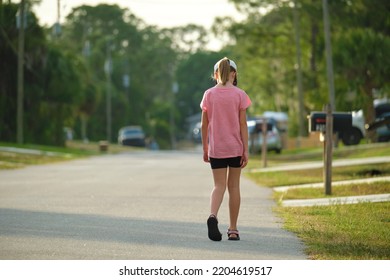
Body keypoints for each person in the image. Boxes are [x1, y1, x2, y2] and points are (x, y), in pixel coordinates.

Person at [200, 57, 251, 241]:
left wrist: (205, 147)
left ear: (215, 74)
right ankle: (233, 229)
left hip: (217, 149)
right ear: (234, 73)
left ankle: (213, 215)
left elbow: (204, 125)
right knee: (234, 186)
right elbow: (243, 124)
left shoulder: (209, 95)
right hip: (235, 147)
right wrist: (246, 149)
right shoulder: (240, 94)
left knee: (218, 186)